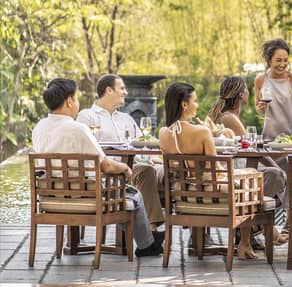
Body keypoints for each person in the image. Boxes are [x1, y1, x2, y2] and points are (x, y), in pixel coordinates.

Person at [32, 79, 164, 257]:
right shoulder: (78, 129)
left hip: (50, 196)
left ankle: (149, 238)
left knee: (124, 195)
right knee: (134, 195)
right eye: (76, 98)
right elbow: (106, 165)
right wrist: (125, 168)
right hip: (87, 196)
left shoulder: (38, 128)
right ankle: (147, 245)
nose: (77, 102)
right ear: (69, 102)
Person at [157, 82, 259, 260]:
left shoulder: (163, 133)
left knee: (245, 181)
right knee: (251, 180)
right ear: (184, 104)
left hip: (184, 195)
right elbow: (216, 170)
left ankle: (239, 242)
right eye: (194, 101)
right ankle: (244, 243)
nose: (197, 105)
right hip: (211, 193)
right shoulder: (202, 132)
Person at [205, 76, 289, 246]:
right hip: (234, 175)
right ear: (242, 95)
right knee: (276, 176)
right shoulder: (230, 119)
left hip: (232, 172)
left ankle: (253, 231)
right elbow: (251, 149)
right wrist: (277, 168)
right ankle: (251, 229)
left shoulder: (227, 116)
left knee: (274, 175)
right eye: (247, 89)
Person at [76, 74, 164, 230]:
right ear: (109, 90)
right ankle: (149, 232)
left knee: (155, 170)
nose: (125, 93)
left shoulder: (126, 118)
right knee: (146, 171)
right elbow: (83, 148)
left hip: (132, 167)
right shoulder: (87, 116)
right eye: (122, 88)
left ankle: (155, 229)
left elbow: (141, 144)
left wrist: (153, 157)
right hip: (108, 172)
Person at [254, 39, 292, 142]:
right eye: (278, 60)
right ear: (269, 60)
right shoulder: (260, 79)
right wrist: (260, 108)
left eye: (285, 60)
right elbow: (258, 107)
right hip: (270, 139)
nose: (282, 64)